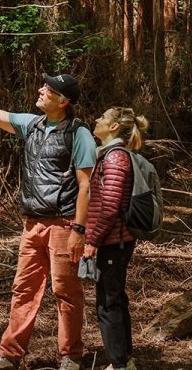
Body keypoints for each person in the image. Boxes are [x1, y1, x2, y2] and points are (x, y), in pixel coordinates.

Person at [0, 45, 96, 370]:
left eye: (48, 89)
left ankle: (70, 358)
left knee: (66, 292)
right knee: (23, 289)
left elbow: (86, 186)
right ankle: (9, 357)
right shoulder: (32, 125)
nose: (41, 90)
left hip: (65, 226)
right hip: (32, 225)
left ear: (62, 101)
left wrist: (80, 230)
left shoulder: (79, 134)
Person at [84, 107, 149, 370]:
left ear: (112, 128)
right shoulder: (112, 156)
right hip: (116, 240)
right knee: (116, 299)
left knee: (108, 304)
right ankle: (125, 360)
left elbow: (110, 206)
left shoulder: (114, 158)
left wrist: (92, 240)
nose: (96, 119)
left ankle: (118, 364)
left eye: (102, 117)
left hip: (114, 241)